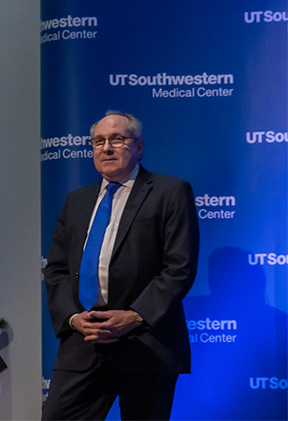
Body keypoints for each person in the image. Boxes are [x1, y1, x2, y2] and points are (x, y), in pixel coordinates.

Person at [42, 111, 199, 420]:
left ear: (138, 147)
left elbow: (178, 267)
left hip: (146, 342)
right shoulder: (76, 201)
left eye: (117, 139)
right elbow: (56, 270)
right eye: (98, 141)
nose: (106, 148)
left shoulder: (170, 191)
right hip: (84, 342)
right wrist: (73, 318)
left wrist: (134, 316)